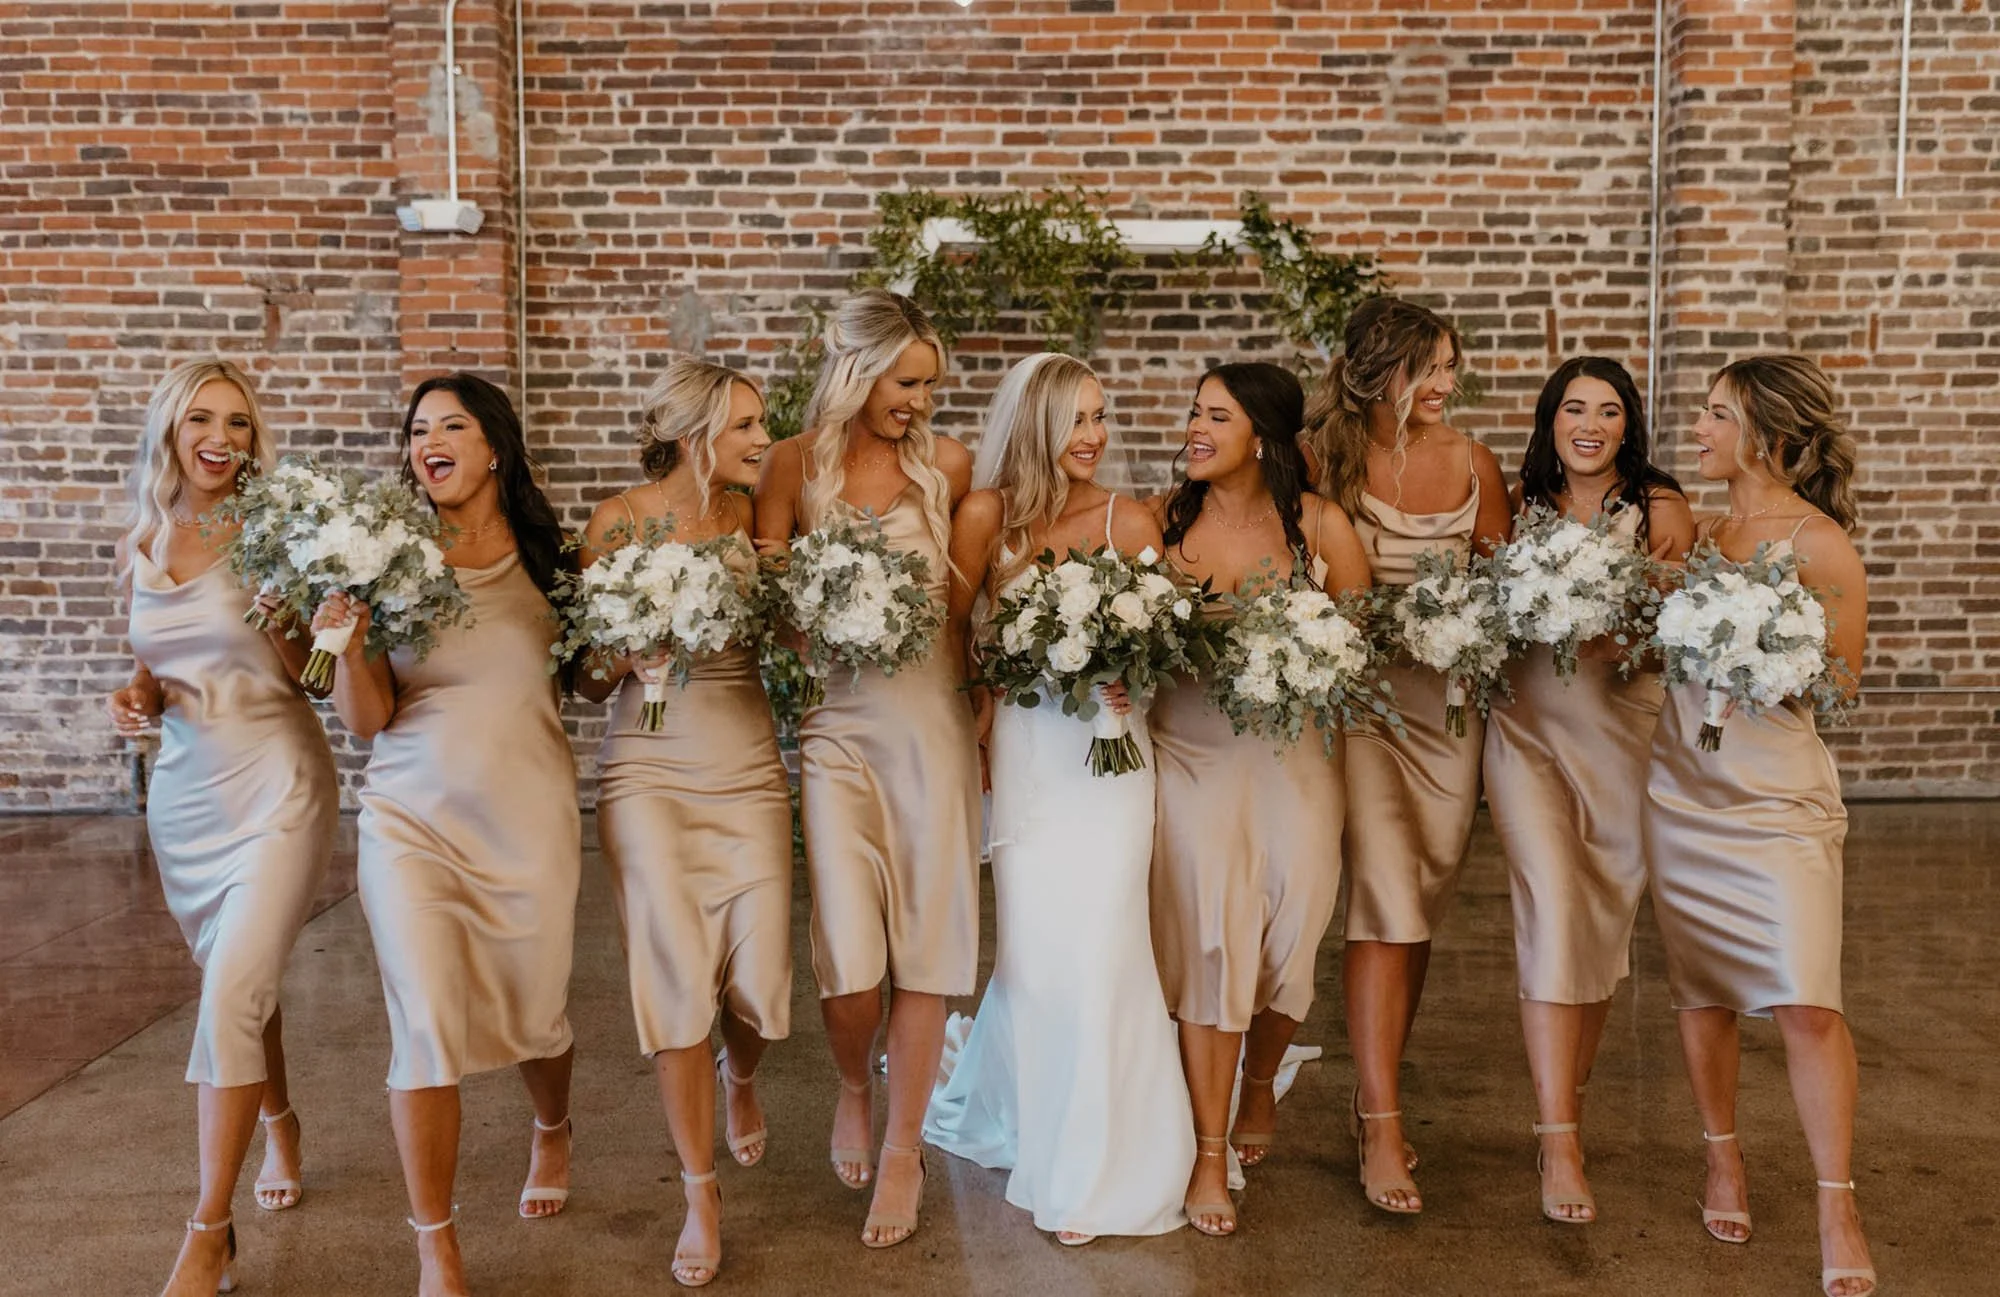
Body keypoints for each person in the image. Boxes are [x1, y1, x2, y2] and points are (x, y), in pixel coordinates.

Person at [318, 373, 581, 1297]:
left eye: (452, 426)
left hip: (528, 820)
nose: (431, 441)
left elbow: (588, 681)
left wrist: (649, 645)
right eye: (419, 430)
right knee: (424, 1025)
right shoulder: (384, 557)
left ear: (494, 447)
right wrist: (348, 645)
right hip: (409, 819)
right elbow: (368, 718)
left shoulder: (552, 558)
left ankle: (552, 1126)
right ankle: (437, 1245)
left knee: (537, 1013)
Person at [922, 352, 1193, 1245]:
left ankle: (1098, 1165)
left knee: (1107, 947)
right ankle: (1035, 1118)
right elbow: (956, 634)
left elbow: (1170, 641)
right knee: (1039, 957)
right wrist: (983, 721)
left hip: (1110, 756)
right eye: (1078, 418)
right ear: (1036, 423)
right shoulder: (985, 519)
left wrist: (1134, 684)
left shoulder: (1131, 516)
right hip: (1031, 759)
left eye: (1101, 416)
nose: (1096, 436)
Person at [752, 289, 982, 1249]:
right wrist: (815, 608)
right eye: (906, 381)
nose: (921, 402)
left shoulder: (955, 465)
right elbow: (768, 590)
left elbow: (974, 613)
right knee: (849, 966)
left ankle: (902, 1149)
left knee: (927, 951)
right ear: (856, 370)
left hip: (931, 727)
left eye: (931, 384)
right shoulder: (792, 465)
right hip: (837, 731)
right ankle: (854, 1080)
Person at [1644, 355, 1876, 1297]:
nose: (1695, 432)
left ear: (1767, 432)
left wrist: (1758, 655)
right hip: (1685, 788)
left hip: (1778, 794)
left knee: (1806, 998)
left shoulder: (1822, 546)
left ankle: (1837, 1200)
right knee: (1700, 988)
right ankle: (1722, 1156)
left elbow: (1844, 684)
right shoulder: (1692, 535)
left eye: (1713, 416)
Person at [109, 359, 336, 1297]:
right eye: (203, 419)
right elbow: (155, 667)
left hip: (278, 779)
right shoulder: (143, 536)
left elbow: (311, 674)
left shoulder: (277, 532)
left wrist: (288, 613)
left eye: (239, 424)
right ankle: (277, 1120)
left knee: (233, 987)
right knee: (238, 986)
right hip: (188, 796)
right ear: (171, 428)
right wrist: (135, 697)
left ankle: (209, 1232)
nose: (221, 438)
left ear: (254, 439)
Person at [578, 357, 791, 1289]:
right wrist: (627, 654)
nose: (761, 441)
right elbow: (581, 676)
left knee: (760, 985)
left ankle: (739, 1071)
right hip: (648, 772)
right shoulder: (616, 521)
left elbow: (795, 642)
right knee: (673, 975)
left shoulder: (760, 517)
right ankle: (700, 1191)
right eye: (746, 425)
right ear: (697, 429)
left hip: (746, 765)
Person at [1146, 362, 1372, 1237]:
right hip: (1193, 759)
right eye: (1195, 412)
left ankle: (1260, 1076)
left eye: (1216, 416)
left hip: (1298, 763)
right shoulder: (1163, 527)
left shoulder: (1320, 526)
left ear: (1264, 438)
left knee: (1288, 943)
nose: (1196, 429)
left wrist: (1309, 649)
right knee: (1210, 938)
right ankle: (1208, 1153)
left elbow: (1362, 644)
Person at [1304, 296, 1512, 1214]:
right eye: (1431, 366)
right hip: (1359, 709)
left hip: (1447, 713)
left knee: (1418, 899)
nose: (1446, 383)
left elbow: (1508, 591)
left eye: (1450, 367)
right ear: (1380, 367)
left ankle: (1370, 1092)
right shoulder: (1319, 456)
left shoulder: (1475, 462)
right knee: (1384, 896)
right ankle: (1383, 1119)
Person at [1481, 356, 1694, 1222]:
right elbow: (1479, 599)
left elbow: (1680, 633)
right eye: (1575, 408)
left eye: (1610, 410)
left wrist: (1625, 643)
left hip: (1623, 735)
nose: (1591, 424)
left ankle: (1565, 1098)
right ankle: (1559, 1137)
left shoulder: (1658, 508)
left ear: (1628, 424)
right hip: (1527, 731)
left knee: (1602, 920)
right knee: (1552, 910)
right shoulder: (1515, 502)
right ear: (1550, 418)